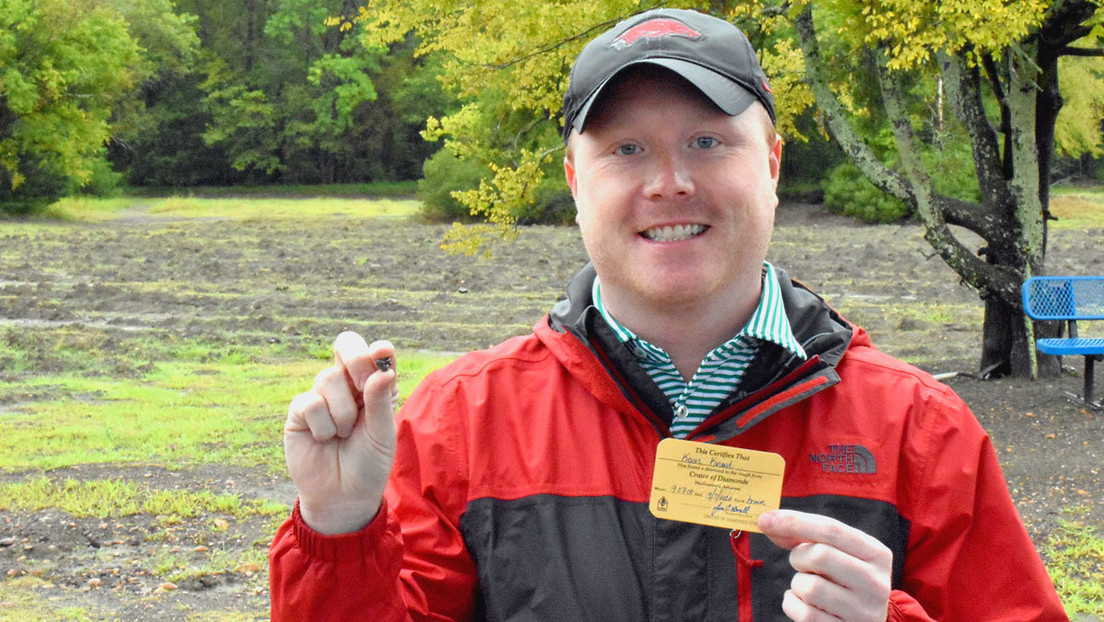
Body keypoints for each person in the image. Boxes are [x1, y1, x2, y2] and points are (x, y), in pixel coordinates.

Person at [269, 8, 1068, 621]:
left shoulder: (919, 432)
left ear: (774, 165)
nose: (669, 183)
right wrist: (338, 532)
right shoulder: (458, 426)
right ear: (577, 184)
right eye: (626, 150)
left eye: (708, 142)